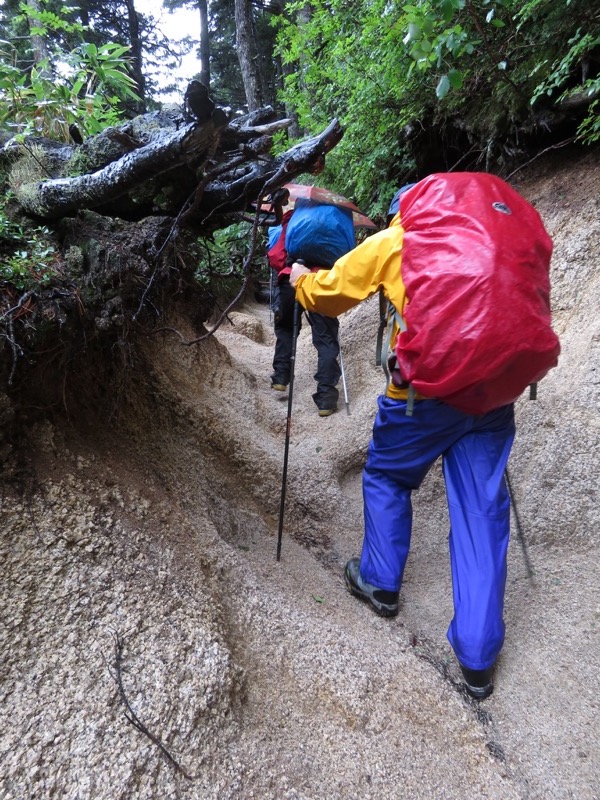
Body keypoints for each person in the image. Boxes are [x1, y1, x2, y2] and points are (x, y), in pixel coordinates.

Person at [289, 182, 518, 700]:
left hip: (422, 398)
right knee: (481, 510)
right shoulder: (492, 240)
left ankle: (380, 581)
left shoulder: (398, 241)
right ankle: (478, 657)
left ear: (404, 210)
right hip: (492, 394)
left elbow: (332, 293)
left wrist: (302, 281)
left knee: (389, 476)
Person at [267, 206, 343, 417]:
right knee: (326, 338)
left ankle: (281, 377)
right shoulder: (334, 218)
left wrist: (288, 267)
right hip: (321, 282)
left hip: (290, 280)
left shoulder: (294, 217)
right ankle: (326, 399)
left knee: (285, 329)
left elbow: (275, 255)